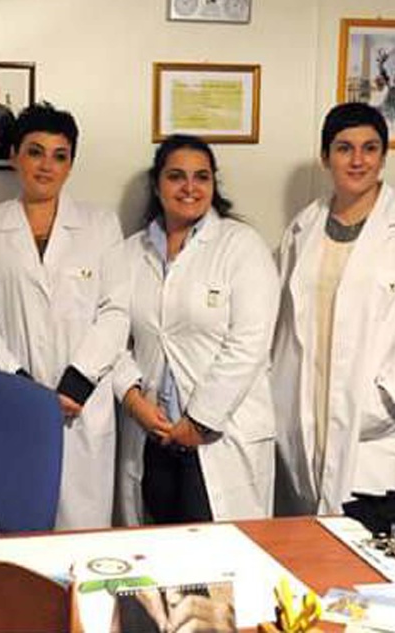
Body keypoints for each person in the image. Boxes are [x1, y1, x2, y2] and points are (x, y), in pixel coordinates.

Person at [271, 102, 395, 516]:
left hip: (372, 415)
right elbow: (284, 324)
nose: (358, 160)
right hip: (309, 407)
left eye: (370, 148)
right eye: (344, 148)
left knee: (366, 532)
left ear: (383, 156)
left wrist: (390, 389)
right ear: (326, 157)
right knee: (308, 532)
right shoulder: (304, 227)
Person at [0, 102, 127, 530]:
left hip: (82, 404)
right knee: (17, 526)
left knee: (81, 532)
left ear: (71, 164)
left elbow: (115, 312)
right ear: (14, 156)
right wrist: (19, 384)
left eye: (60, 155)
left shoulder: (101, 226)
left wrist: (77, 382)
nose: (47, 166)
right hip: (12, 397)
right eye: (35, 152)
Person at [111, 135, 279, 526]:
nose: (190, 187)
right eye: (176, 176)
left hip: (219, 434)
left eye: (201, 177)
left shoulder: (242, 246)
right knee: (157, 550)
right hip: (153, 435)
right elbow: (112, 337)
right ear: (157, 185)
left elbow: (250, 343)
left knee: (223, 552)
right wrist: (133, 399)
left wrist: (200, 421)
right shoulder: (130, 253)